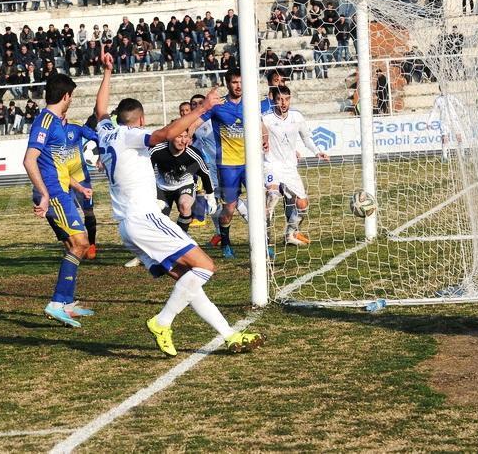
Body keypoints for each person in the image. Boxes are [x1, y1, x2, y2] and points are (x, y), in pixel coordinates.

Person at [94, 49, 265, 356]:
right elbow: (164, 133)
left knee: (189, 280)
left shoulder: (106, 131)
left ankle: (229, 335)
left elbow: (100, 110)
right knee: (205, 266)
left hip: (127, 226)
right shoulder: (130, 135)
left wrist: (107, 72)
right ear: (140, 120)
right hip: (145, 219)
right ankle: (162, 321)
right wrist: (204, 107)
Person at [22, 73, 93, 328]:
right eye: (71, 96)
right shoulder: (45, 121)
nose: (71, 101)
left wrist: (78, 187)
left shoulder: (55, 122)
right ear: (66, 96)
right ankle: (56, 303)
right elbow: (29, 160)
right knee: (80, 243)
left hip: (61, 191)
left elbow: (56, 165)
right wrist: (44, 194)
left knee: (74, 245)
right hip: (53, 194)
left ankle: (67, 304)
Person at [188, 70, 273, 258]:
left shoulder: (250, 103)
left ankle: (265, 243)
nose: (238, 86)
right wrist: (188, 136)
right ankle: (225, 242)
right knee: (229, 208)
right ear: (228, 84)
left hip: (250, 164)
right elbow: (194, 123)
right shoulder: (218, 106)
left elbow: (261, 125)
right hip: (227, 166)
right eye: (234, 82)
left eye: (241, 82)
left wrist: (265, 138)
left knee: (259, 205)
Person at [262, 86, 329, 247]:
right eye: (279, 99)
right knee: (272, 196)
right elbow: (260, 137)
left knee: (302, 205)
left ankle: (290, 233)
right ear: (273, 100)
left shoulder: (297, 116)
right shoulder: (266, 118)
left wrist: (317, 152)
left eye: (286, 99)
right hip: (271, 165)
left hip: (290, 167)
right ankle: (265, 236)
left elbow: (306, 137)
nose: (283, 103)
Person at [65, 116, 99, 259]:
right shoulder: (50, 130)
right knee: (68, 214)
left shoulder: (76, 127)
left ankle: (92, 245)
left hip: (82, 178)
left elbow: (96, 137)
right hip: (62, 180)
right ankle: (72, 245)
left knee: (88, 212)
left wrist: (101, 157)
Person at [429, 89, 463, 162]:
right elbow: (433, 111)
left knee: (458, 137)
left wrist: (464, 113)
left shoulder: (452, 97)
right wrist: (429, 122)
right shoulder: (438, 100)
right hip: (444, 121)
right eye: (442, 88)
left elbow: (459, 105)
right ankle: (445, 157)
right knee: (445, 139)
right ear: (440, 89)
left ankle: (462, 155)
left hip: (454, 120)